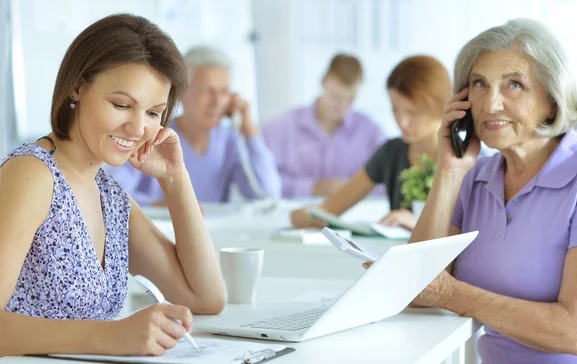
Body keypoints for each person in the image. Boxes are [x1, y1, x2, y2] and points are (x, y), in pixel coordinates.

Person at [0, 14, 226, 357]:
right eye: (122, 105)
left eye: (153, 113)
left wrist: (175, 177)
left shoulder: (108, 194)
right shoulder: (32, 175)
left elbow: (205, 298)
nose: (137, 128)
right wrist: (110, 335)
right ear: (77, 86)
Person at [403, 19, 577, 362]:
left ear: (552, 101)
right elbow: (417, 290)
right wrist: (449, 172)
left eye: (514, 85)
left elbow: (576, 332)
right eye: (479, 84)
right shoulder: (473, 177)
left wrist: (451, 294)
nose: (491, 104)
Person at [290, 55, 451, 230]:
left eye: (413, 113)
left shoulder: (465, 158)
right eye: (395, 109)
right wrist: (302, 216)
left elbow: (470, 232)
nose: (402, 122)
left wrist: (419, 224)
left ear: (441, 107)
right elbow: (328, 210)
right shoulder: (391, 152)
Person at [109, 45, 281, 206]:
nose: (217, 102)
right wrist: (156, 205)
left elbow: (269, 194)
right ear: (182, 92)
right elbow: (112, 191)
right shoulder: (154, 134)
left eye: (224, 91)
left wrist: (250, 132)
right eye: (208, 90)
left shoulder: (231, 141)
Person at [262, 53, 386, 198]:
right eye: (335, 96)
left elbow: (387, 184)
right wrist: (313, 187)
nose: (341, 105)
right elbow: (263, 182)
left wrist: (352, 188)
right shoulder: (281, 127)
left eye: (350, 99)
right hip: (292, 216)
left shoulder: (371, 132)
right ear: (323, 82)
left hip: (352, 217)